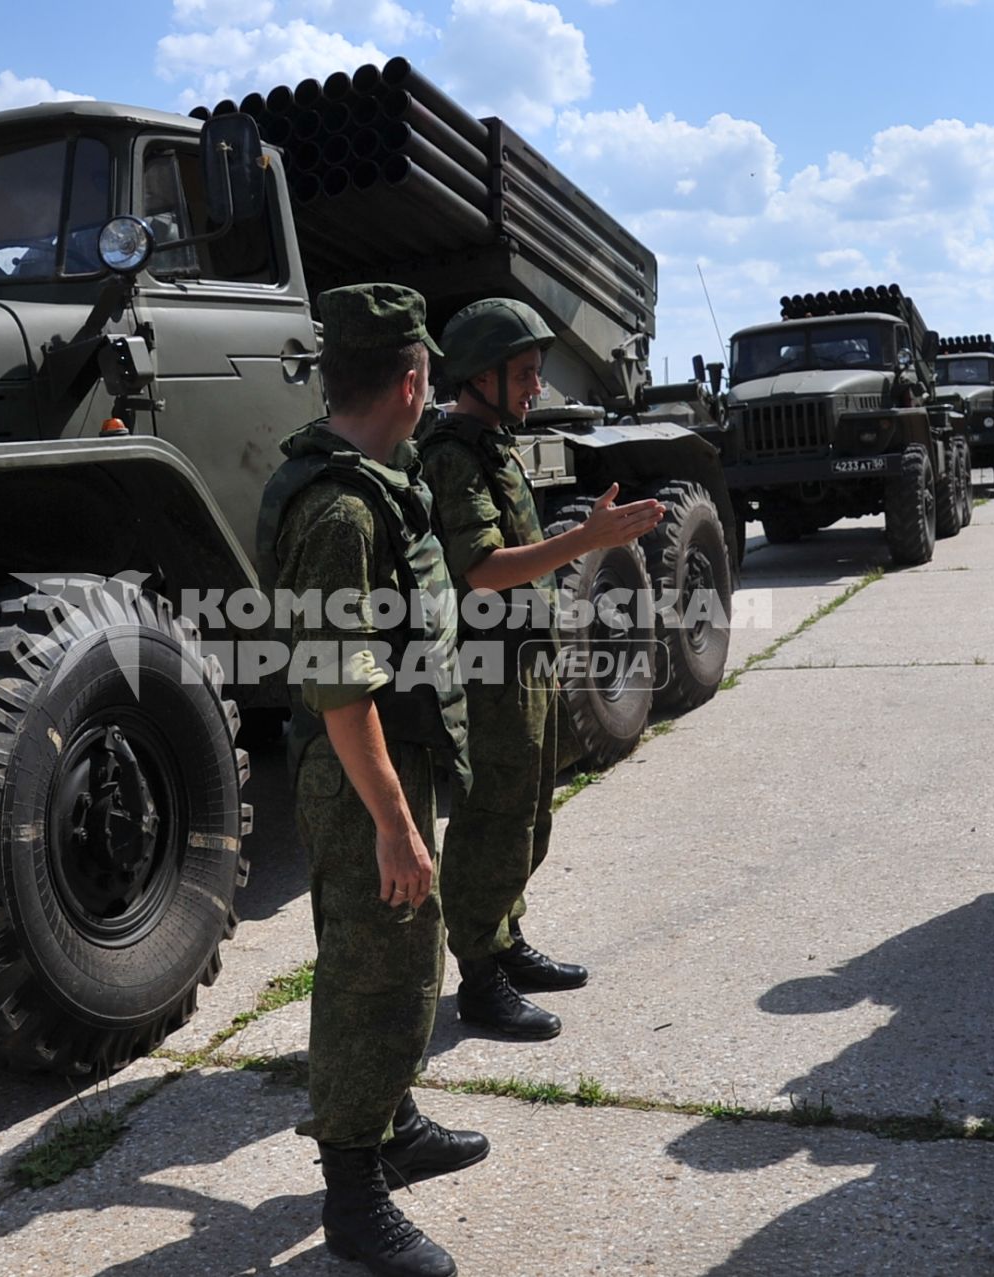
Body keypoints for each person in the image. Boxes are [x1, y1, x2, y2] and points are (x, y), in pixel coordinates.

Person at [257, 282, 486, 1277]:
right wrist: (394, 821)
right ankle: (354, 1192)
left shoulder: (372, 481)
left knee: (400, 954)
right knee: (372, 970)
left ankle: (392, 1123)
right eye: (427, 371)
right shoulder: (342, 508)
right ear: (410, 378)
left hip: (386, 759)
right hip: (361, 776)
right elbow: (339, 684)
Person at [418, 298, 666, 1039]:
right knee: (491, 818)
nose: (536, 388)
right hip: (489, 667)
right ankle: (479, 972)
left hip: (524, 660)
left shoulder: (492, 444)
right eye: (525, 373)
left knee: (529, 815)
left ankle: (504, 938)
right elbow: (483, 569)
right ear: (481, 376)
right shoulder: (453, 455)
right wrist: (586, 539)